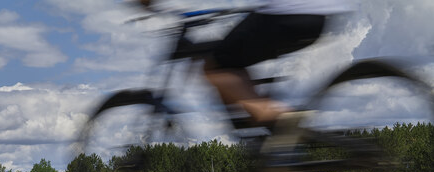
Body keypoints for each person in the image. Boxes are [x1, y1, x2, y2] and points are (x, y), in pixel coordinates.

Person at [138, 0, 352, 128]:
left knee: (216, 66)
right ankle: (272, 138)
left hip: (288, 11)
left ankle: (279, 120)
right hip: (320, 16)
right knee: (233, 62)